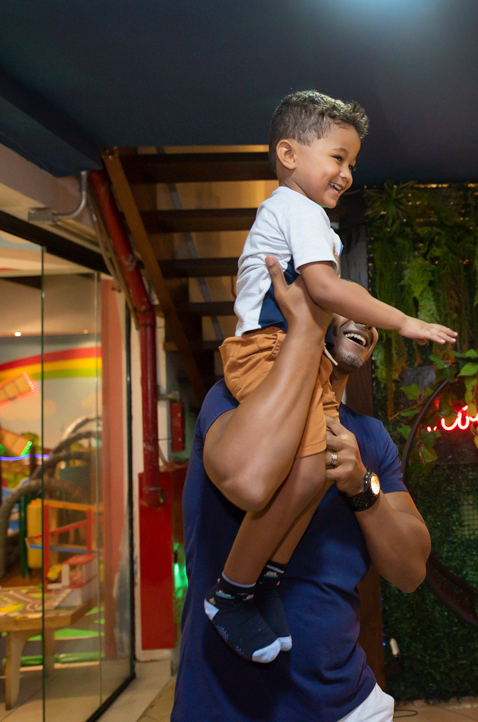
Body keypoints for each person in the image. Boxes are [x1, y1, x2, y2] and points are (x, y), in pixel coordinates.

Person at [210, 90, 453, 662]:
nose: (346, 173)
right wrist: (404, 321)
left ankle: (265, 580)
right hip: (268, 353)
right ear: (288, 154)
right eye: (337, 158)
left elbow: (324, 297)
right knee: (298, 471)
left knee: (315, 472)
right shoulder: (300, 211)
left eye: (352, 163)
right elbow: (323, 289)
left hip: (294, 355)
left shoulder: (300, 215)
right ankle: (232, 592)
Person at [174, 258, 431, 722]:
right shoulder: (234, 400)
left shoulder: (370, 438)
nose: (364, 320)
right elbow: (247, 480)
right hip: (224, 706)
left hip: (347, 705)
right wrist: (303, 337)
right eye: (345, 302)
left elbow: (411, 570)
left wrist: (361, 486)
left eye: (369, 314)